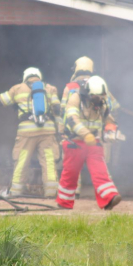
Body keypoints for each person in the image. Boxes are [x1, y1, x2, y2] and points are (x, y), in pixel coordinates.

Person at [0, 67, 61, 198]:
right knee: (49, 161)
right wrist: (60, 130)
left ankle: (16, 193)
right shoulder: (50, 88)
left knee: (22, 161)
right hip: (47, 131)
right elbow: (57, 109)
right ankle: (51, 193)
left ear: (25, 77)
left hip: (27, 132)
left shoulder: (17, 89)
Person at [56, 75, 121, 210]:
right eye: (95, 98)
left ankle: (110, 198)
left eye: (100, 98)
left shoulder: (101, 101)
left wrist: (110, 128)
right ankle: (64, 203)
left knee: (100, 171)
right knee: (71, 174)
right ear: (88, 94)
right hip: (75, 142)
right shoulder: (76, 98)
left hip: (93, 143)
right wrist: (86, 134)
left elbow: (107, 118)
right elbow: (71, 119)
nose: (98, 101)